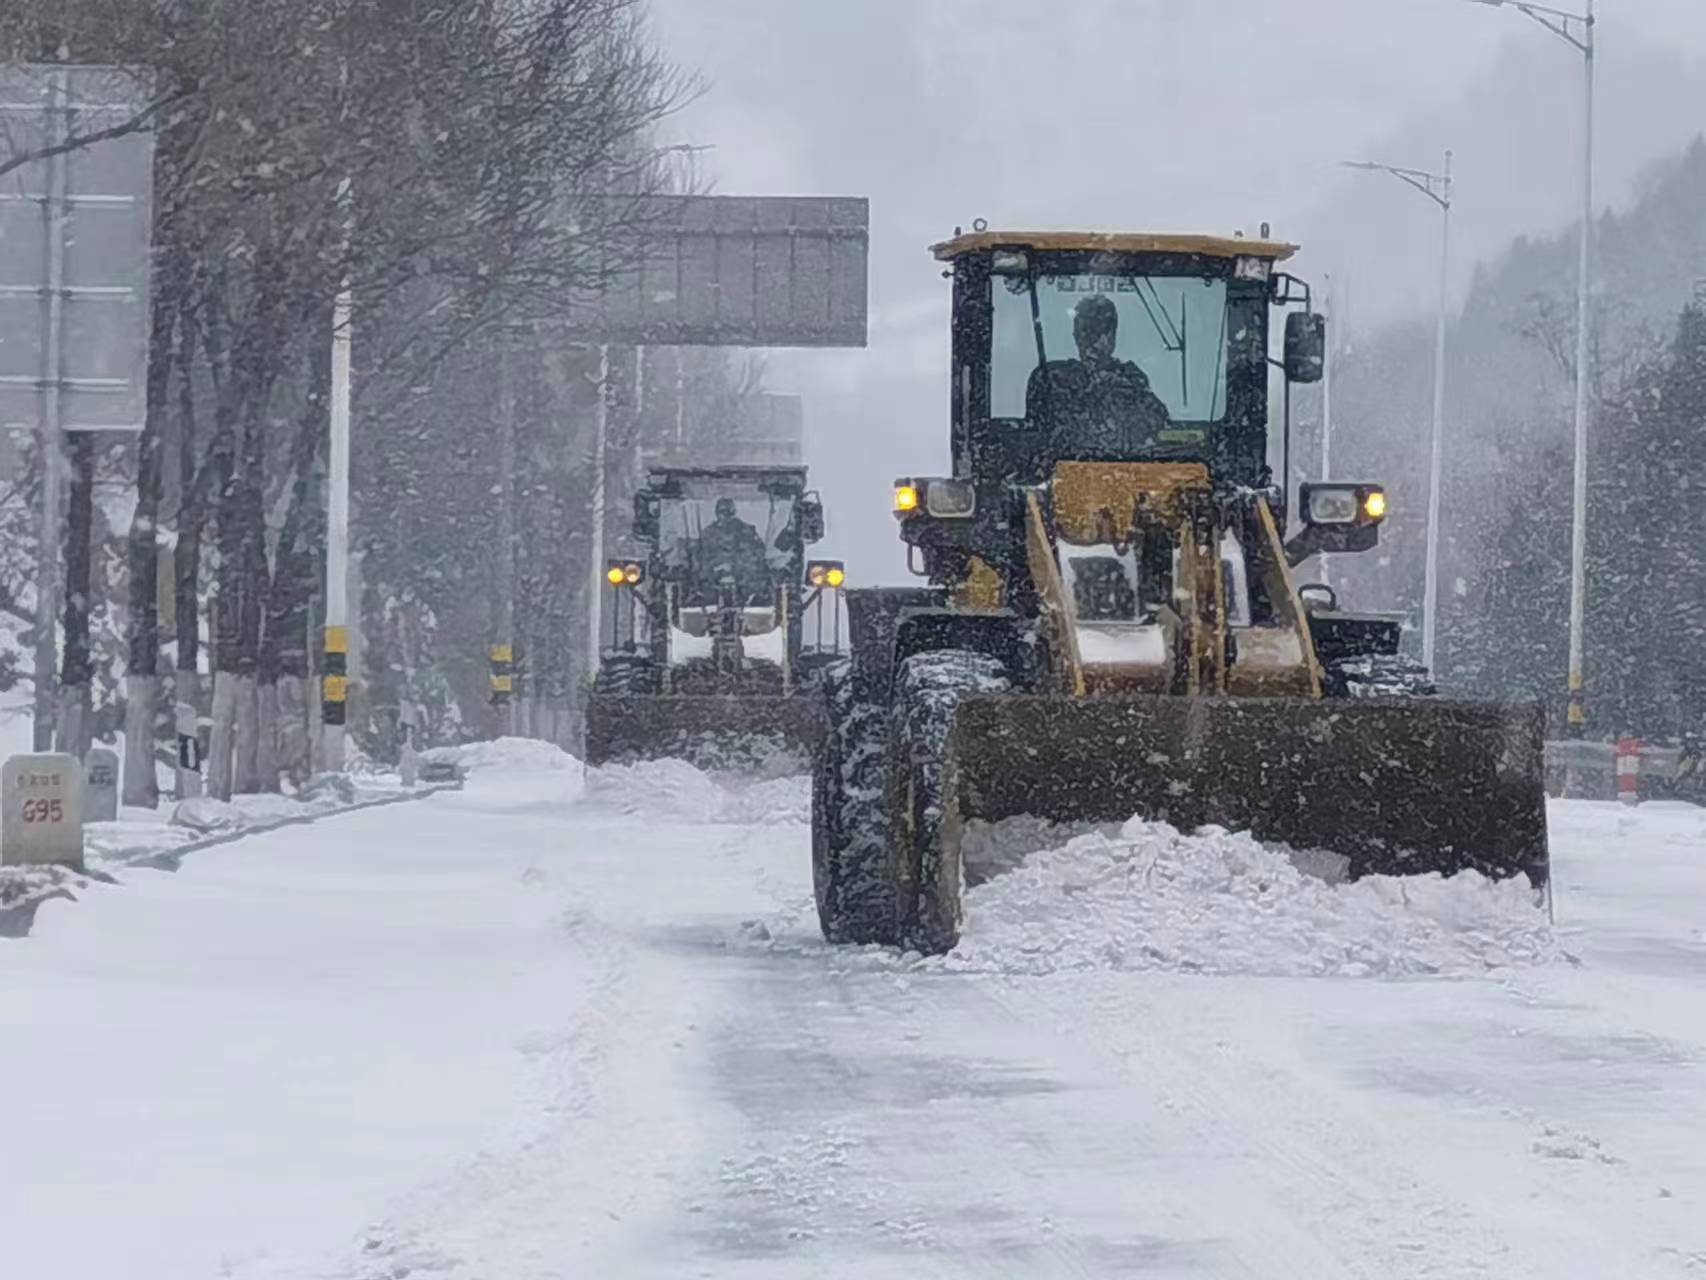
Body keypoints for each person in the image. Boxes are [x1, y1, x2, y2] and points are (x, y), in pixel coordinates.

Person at [1026, 293, 1172, 459]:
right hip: (1062, 476)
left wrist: (1117, 388)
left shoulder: (1131, 381)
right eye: (1084, 331)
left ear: (1112, 336)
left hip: (1123, 475)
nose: (1091, 340)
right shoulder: (1050, 378)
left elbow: (1160, 426)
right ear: (1075, 335)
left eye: (1099, 331)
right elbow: (1034, 439)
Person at [694, 497, 771, 604]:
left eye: (728, 512)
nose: (724, 516)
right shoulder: (707, 534)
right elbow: (699, 561)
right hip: (710, 593)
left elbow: (758, 559)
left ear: (733, 512)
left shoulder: (747, 533)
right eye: (721, 512)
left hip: (746, 592)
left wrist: (735, 566)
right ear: (716, 513)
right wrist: (714, 569)